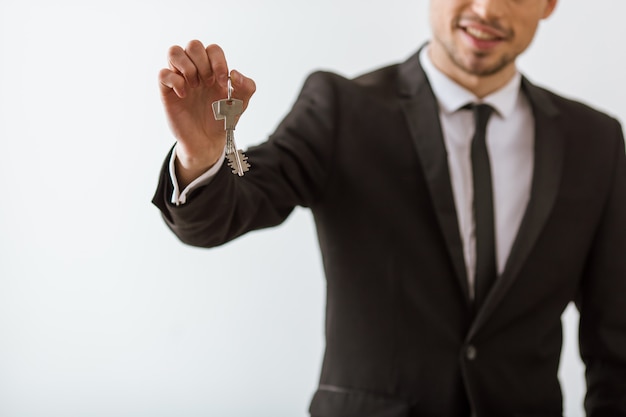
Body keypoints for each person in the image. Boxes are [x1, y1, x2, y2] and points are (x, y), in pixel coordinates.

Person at [152, 0, 626, 415]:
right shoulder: (340, 108)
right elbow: (228, 211)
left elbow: (616, 340)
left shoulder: (595, 142)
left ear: (549, 3)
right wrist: (203, 159)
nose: (487, 9)